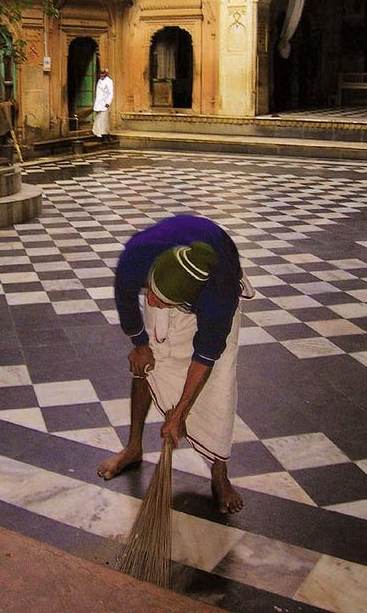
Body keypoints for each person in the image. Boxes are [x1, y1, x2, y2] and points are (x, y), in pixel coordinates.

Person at [97, 213, 254, 514]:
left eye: (160, 300)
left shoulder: (219, 299)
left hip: (213, 286)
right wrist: (140, 344)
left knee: (220, 380)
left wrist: (180, 412)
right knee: (147, 364)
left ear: (187, 303)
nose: (150, 302)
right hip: (167, 272)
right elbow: (125, 293)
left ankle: (219, 472)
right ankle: (133, 447)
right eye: (150, 292)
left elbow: (206, 356)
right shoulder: (139, 254)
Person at [92, 68, 114, 140]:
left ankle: (104, 135)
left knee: (104, 119)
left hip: (105, 103)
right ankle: (98, 135)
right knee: (98, 119)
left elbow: (110, 93)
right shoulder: (99, 81)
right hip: (99, 103)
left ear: (106, 74)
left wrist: (108, 103)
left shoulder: (109, 81)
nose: (101, 75)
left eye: (103, 73)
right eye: (100, 73)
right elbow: (98, 93)